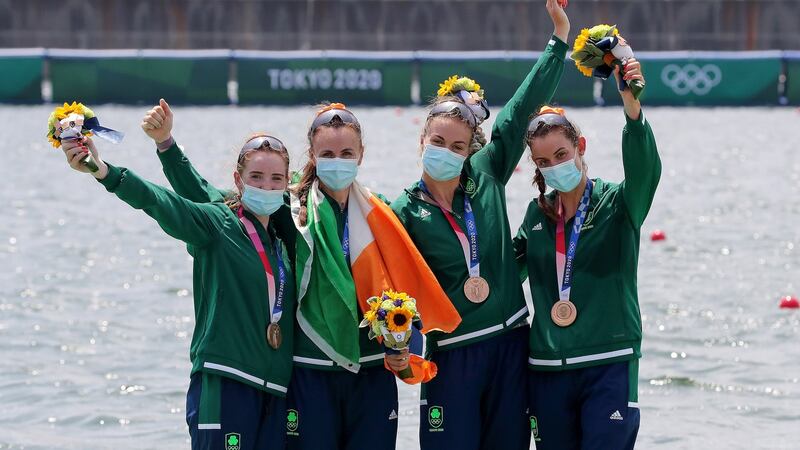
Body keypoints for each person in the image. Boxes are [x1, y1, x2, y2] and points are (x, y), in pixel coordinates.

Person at [143, 102, 457, 450]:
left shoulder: (380, 211)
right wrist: (167, 146)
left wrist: (404, 349)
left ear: (361, 155)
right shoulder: (288, 208)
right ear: (312, 154)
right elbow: (207, 201)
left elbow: (402, 286)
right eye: (327, 153)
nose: (337, 160)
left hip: (370, 374)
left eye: (346, 152)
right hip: (309, 372)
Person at [390, 0, 570, 448]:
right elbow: (394, 289)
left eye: (458, 145)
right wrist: (398, 348)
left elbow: (524, 106)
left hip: (510, 343)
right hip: (450, 356)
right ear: (422, 140)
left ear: (472, 147)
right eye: (438, 142)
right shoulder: (403, 210)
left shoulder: (487, 172)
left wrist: (558, 39)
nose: (447, 152)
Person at [60, 130, 296, 450]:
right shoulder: (217, 223)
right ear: (238, 180)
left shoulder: (283, 243)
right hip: (226, 381)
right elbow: (160, 200)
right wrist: (104, 171)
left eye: (275, 179)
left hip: (276, 392)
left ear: (286, 186)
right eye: (256, 176)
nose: (266, 186)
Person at [513, 58, 658, 449]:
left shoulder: (619, 204)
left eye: (561, 155)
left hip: (609, 359)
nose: (554, 166)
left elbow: (645, 169)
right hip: (546, 367)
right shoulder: (536, 213)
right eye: (543, 162)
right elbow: (506, 272)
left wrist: (632, 110)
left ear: (580, 146)